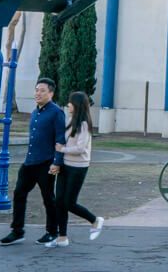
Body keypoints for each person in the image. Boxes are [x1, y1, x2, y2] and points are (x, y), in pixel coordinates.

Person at [0, 78, 65, 246]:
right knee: (19, 193)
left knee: (48, 198)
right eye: (36, 90)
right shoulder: (35, 112)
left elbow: (60, 139)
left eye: (42, 90)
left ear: (51, 93)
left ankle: (52, 231)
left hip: (46, 163)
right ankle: (17, 231)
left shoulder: (57, 112)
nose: (38, 93)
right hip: (29, 162)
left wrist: (56, 162)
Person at [50, 91, 104, 247]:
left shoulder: (84, 124)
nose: (68, 105)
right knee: (59, 201)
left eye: (70, 102)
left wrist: (62, 149)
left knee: (69, 203)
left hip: (78, 167)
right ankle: (62, 237)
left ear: (77, 105)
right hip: (65, 165)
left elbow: (80, 148)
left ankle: (94, 220)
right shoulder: (69, 120)